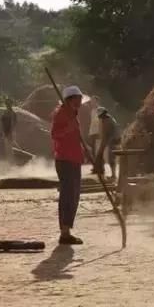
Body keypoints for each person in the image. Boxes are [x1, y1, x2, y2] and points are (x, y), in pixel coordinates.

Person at [51, 85, 88, 245]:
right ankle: (64, 233)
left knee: (74, 195)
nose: (80, 101)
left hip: (74, 159)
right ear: (71, 99)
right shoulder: (61, 114)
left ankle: (67, 230)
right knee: (68, 195)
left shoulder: (73, 113)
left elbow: (75, 137)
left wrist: (83, 151)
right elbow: (55, 134)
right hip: (65, 160)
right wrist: (68, 128)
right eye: (78, 98)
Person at [95, 107, 121, 180]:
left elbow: (105, 135)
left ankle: (114, 175)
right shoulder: (109, 118)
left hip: (114, 141)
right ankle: (113, 174)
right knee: (111, 158)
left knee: (111, 159)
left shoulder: (107, 121)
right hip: (114, 140)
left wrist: (101, 148)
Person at [0, 98, 18, 163]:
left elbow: (13, 124)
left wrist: (11, 133)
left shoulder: (12, 113)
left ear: (11, 104)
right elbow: (3, 123)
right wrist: (2, 131)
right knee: (7, 149)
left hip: (9, 133)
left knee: (10, 149)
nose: (7, 104)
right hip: (6, 132)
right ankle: (9, 162)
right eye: (6, 103)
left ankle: (12, 163)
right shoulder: (5, 112)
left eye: (8, 103)